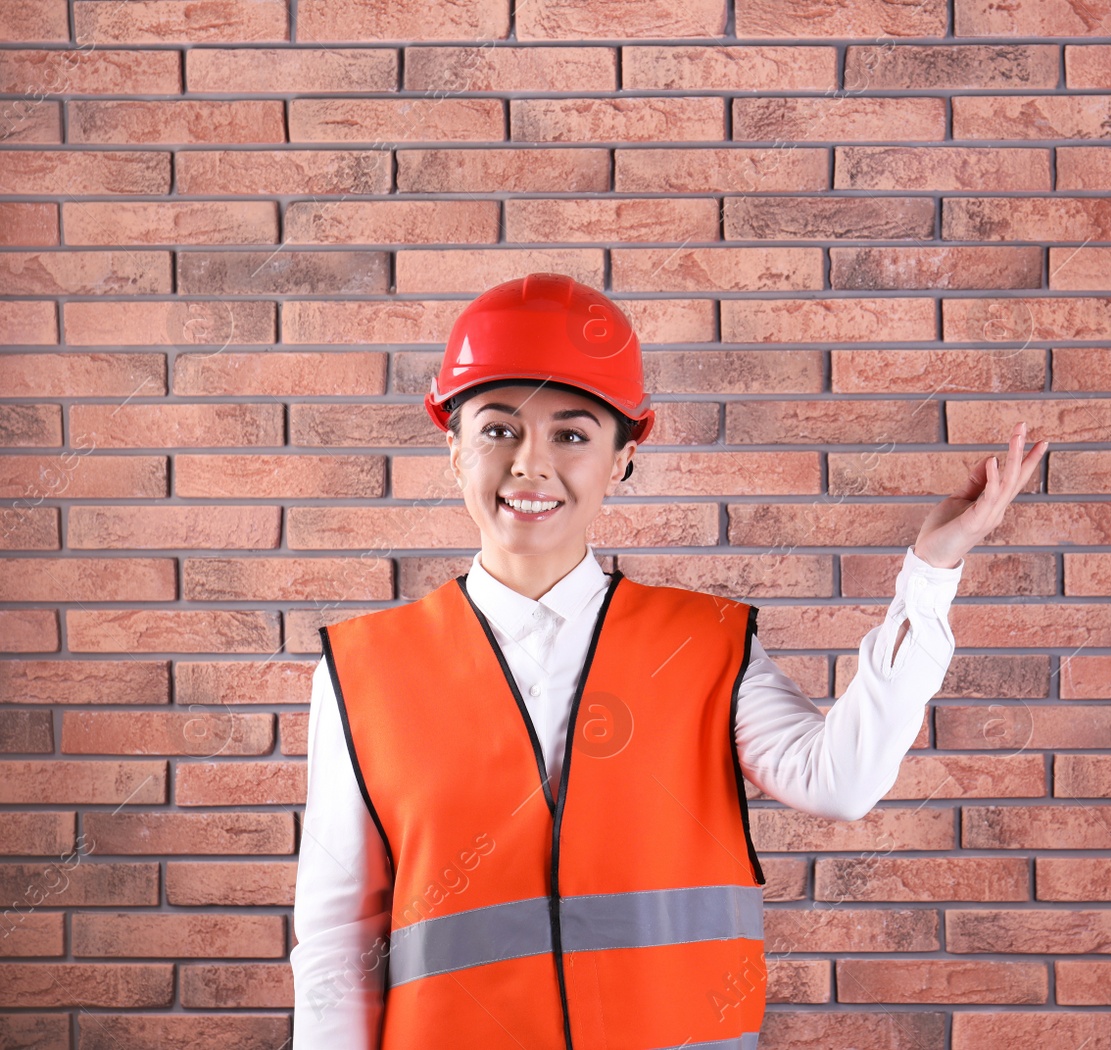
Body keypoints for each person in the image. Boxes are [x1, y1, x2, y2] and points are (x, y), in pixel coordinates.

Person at [289, 273, 1046, 1049]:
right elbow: (336, 946)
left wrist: (932, 569)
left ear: (622, 457)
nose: (530, 464)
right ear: (452, 448)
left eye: (573, 435)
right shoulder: (362, 671)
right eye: (497, 429)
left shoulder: (706, 645)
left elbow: (842, 781)